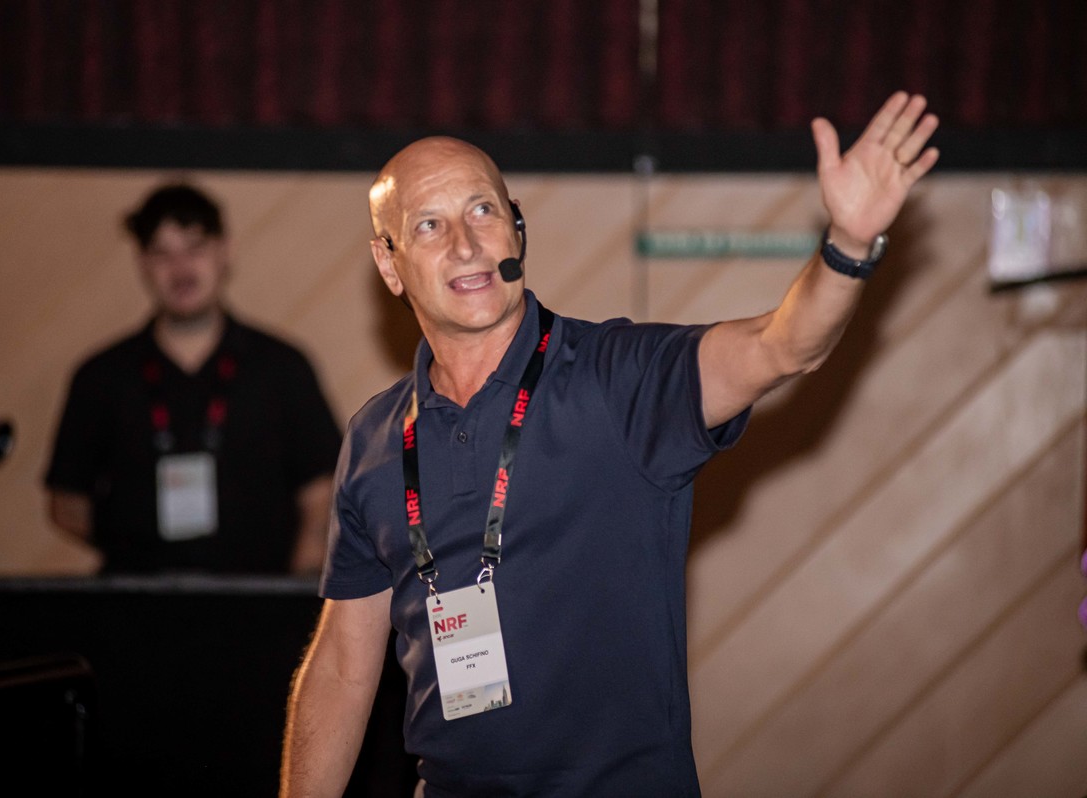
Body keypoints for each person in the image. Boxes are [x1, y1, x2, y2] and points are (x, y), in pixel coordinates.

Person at [280, 91, 940, 796]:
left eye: (483, 211)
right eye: (429, 225)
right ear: (389, 264)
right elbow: (343, 668)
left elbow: (781, 347)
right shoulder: (376, 438)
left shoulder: (619, 378)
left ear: (516, 228)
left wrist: (847, 247)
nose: (466, 245)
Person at [44, 183, 342, 575]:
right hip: (137, 599)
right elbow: (66, 501)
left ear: (225, 251)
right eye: (162, 253)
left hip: (257, 596)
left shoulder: (282, 368)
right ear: (142, 263)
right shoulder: (101, 377)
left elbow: (323, 492)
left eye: (195, 248)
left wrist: (295, 593)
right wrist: (133, 548)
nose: (180, 268)